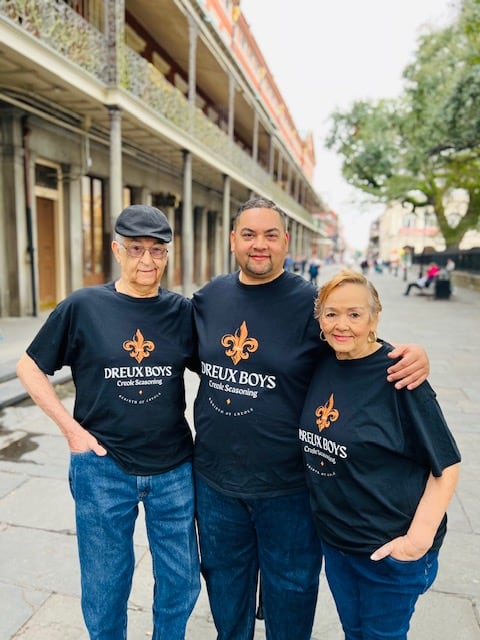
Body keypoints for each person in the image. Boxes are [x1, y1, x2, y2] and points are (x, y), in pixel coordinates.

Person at [192, 197, 430, 640]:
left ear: (285, 242)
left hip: (290, 488)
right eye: (248, 234)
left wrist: (410, 355)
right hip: (215, 484)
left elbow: (355, 341)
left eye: (269, 235)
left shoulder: (310, 303)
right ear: (232, 241)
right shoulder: (208, 299)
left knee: (292, 594)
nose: (258, 244)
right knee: (225, 592)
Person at [16, 205, 200, 640]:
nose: (147, 261)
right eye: (136, 249)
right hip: (102, 469)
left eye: (157, 250)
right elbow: (28, 367)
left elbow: (230, 362)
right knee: (105, 587)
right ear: (117, 250)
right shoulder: (85, 306)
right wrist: (71, 431)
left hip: (173, 467)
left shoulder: (181, 312)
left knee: (182, 580)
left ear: (167, 254)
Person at [300, 269, 461, 640]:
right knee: (354, 633)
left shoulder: (400, 375)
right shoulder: (324, 362)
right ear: (320, 320)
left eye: (355, 314)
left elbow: (447, 465)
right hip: (339, 544)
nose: (343, 325)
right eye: (332, 313)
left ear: (375, 317)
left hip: (387, 549)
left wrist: (415, 543)